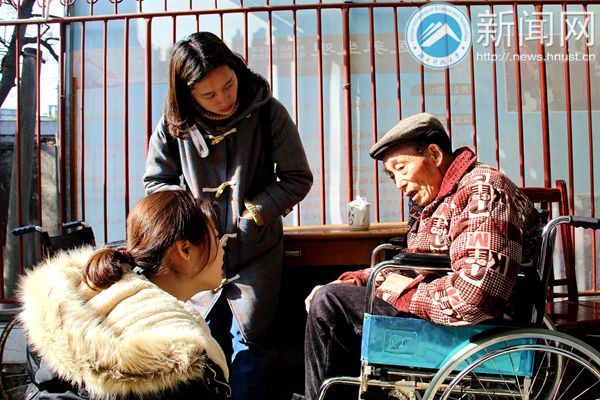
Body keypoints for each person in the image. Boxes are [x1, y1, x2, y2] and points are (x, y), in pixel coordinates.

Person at [303, 113, 541, 400]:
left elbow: (474, 296)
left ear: (435, 154)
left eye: (401, 168)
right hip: (442, 315)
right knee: (334, 294)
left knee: (329, 303)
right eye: (392, 176)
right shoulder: (438, 200)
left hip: (478, 328)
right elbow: (414, 263)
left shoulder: (483, 189)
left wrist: (397, 292)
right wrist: (359, 280)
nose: (399, 183)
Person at [143, 32, 313, 400]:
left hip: (255, 250)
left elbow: (298, 178)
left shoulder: (268, 112)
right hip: (198, 254)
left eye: (229, 85)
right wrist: (189, 221)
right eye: (208, 95)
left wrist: (256, 212)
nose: (224, 99)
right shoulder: (173, 125)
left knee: (248, 343)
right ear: (187, 94)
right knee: (203, 342)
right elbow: (156, 183)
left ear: (237, 69)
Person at [18, 190, 231, 399]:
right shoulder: (178, 358)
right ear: (185, 250)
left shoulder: (85, 299)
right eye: (215, 237)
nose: (223, 248)